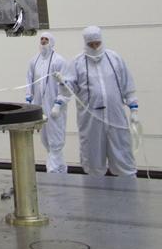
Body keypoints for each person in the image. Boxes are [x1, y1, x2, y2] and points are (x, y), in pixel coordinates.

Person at [62, 26, 139, 177]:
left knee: (122, 151)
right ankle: (96, 195)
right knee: (93, 156)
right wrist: (62, 83)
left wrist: (134, 109)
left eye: (97, 43)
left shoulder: (114, 59)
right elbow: (68, 88)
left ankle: (129, 192)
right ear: (86, 44)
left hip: (115, 116)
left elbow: (127, 85)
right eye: (91, 45)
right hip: (91, 119)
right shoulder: (77, 63)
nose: (95, 47)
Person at [26, 32, 69, 174]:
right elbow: (30, 81)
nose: (43, 41)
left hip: (55, 107)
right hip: (40, 106)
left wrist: (59, 104)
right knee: (45, 139)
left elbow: (66, 86)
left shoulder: (59, 61)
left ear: (52, 42)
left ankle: (53, 172)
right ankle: (60, 169)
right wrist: (29, 100)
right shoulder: (34, 61)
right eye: (42, 39)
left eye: (46, 39)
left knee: (55, 139)